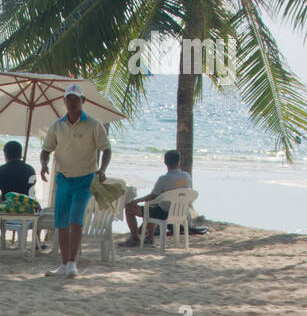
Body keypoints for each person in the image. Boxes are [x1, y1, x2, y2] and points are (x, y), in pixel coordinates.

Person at [40, 83, 111, 278]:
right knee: (61, 223)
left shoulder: (94, 124)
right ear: (64, 101)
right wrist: (44, 165)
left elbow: (106, 149)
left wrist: (102, 169)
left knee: (76, 221)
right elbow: (46, 150)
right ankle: (63, 264)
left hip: (85, 179)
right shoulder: (57, 126)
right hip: (63, 179)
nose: (72, 102)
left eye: (75, 99)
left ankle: (72, 263)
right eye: (69, 99)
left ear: (83, 101)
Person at [123, 149, 193, 245]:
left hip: (164, 214)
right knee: (153, 207)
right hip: (182, 212)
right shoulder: (187, 176)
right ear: (179, 162)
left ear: (165, 163)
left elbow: (152, 196)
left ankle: (135, 239)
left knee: (130, 208)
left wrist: (135, 201)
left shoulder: (164, 179)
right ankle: (149, 237)